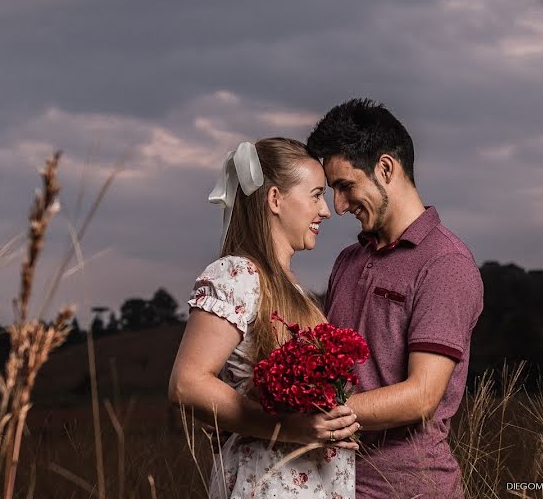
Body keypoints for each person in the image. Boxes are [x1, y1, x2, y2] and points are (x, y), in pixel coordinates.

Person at [306, 99, 484, 499]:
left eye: (345, 186)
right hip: (332, 484)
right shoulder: (348, 260)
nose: (337, 206)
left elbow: (420, 396)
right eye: (332, 190)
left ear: (386, 168)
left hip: (409, 489)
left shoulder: (445, 263)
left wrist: (312, 413)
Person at [169, 137, 361, 498]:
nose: (326, 211)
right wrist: (292, 429)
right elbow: (187, 384)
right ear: (275, 199)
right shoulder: (237, 274)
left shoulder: (294, 292)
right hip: (268, 481)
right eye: (316, 195)